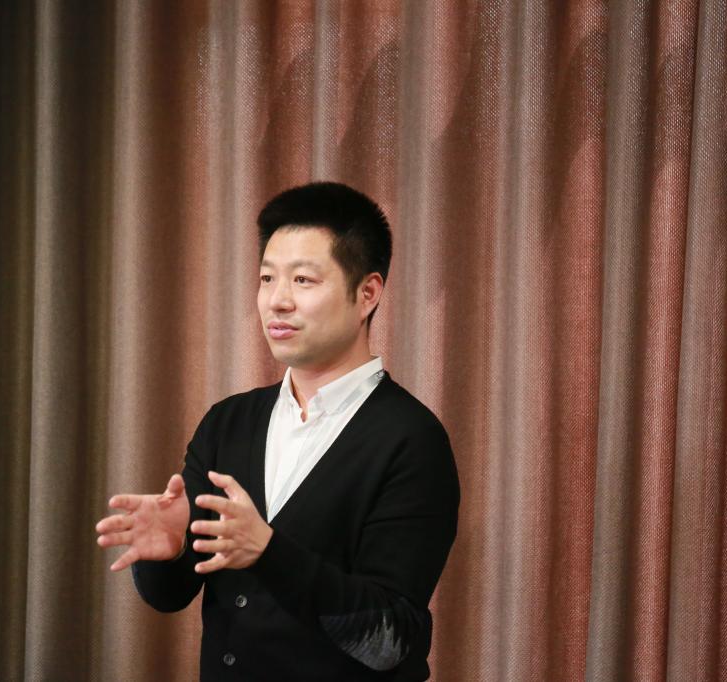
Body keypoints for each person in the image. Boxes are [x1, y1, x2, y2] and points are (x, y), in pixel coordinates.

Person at [95, 182, 459, 681]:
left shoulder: (413, 439)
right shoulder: (229, 422)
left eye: (303, 280)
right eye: (267, 278)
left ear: (367, 294)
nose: (277, 301)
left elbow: (387, 641)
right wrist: (170, 549)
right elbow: (172, 594)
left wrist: (268, 551)